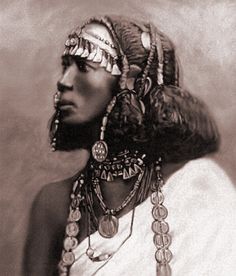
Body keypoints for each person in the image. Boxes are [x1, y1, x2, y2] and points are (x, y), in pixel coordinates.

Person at [23, 15, 236, 276]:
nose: (64, 81)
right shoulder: (53, 203)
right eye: (66, 65)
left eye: (83, 65)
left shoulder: (200, 188)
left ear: (136, 84)